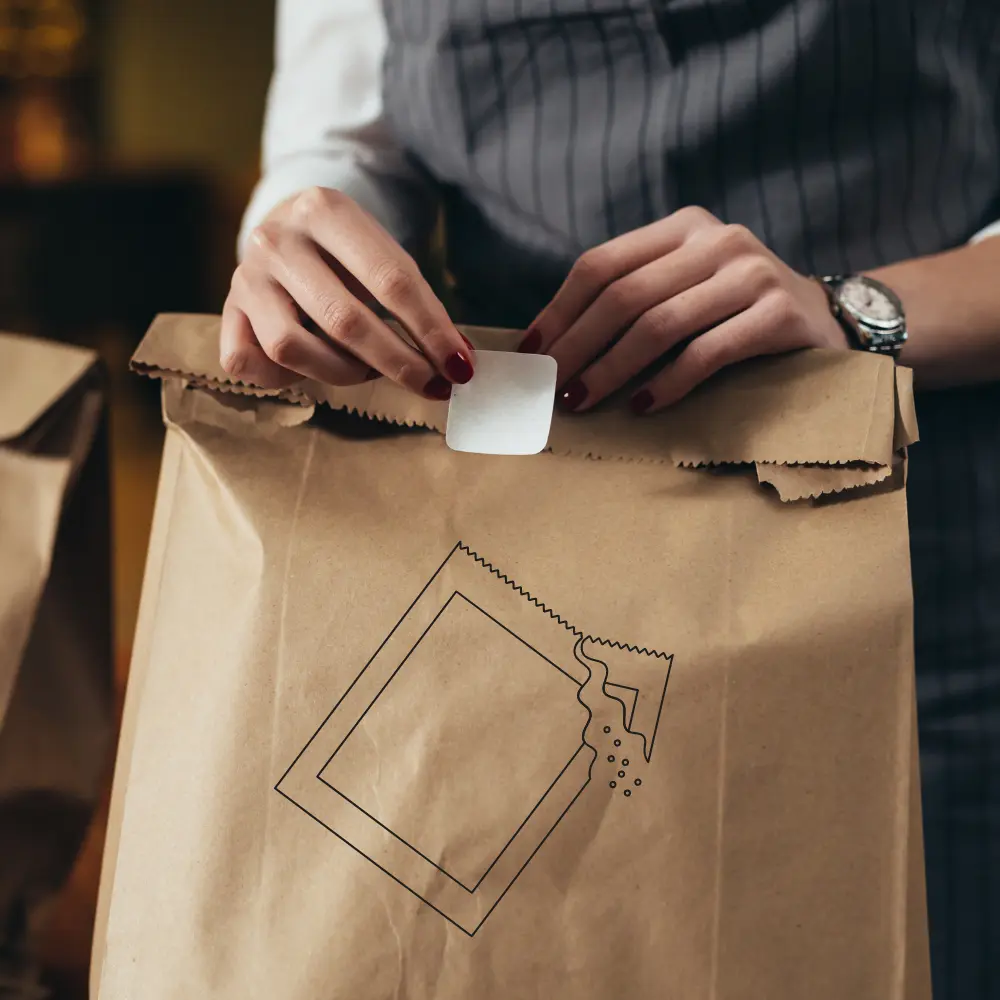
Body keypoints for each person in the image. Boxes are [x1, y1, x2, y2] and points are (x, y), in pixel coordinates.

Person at [226, 2, 1000, 995]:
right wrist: (305, 247)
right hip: (509, 602)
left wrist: (852, 311)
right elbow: (343, 145)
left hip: (912, 585)